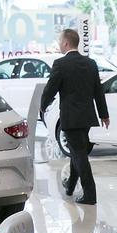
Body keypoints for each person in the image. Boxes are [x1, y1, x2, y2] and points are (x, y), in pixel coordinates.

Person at [41, 28, 110, 205]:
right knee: (77, 151)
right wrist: (104, 114)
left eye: (59, 41)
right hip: (86, 117)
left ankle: (90, 193)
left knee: (79, 154)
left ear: (65, 43)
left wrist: (42, 107)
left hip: (71, 118)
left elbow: (50, 89)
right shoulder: (91, 63)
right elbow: (98, 91)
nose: (58, 44)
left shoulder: (60, 64)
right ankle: (70, 186)